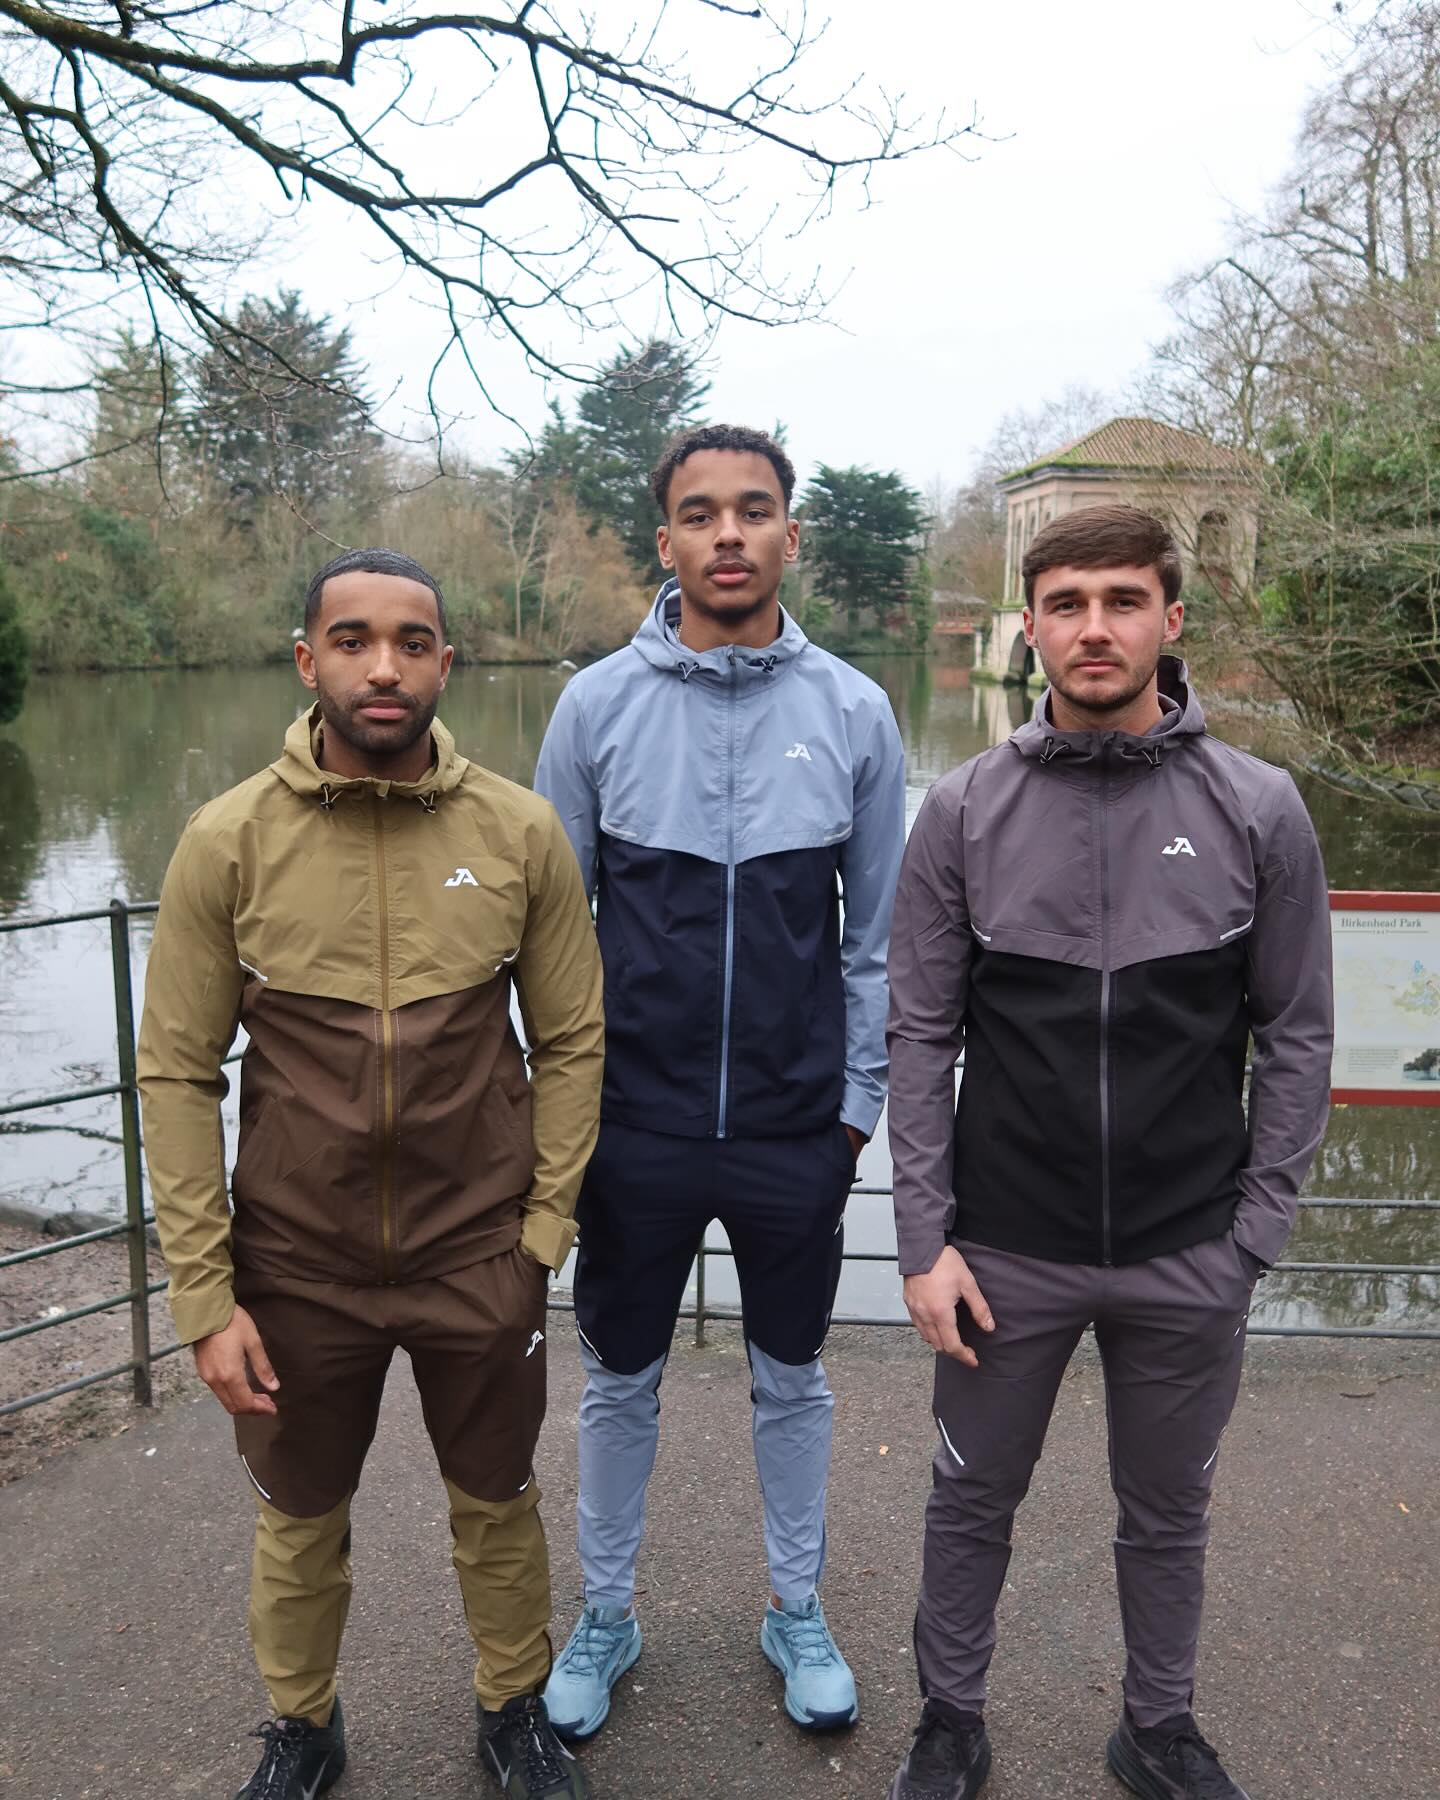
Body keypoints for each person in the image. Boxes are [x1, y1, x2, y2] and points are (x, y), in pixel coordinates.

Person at [137, 548, 605, 1800]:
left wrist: (542, 1236)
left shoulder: (520, 833)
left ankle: (513, 1709)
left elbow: (572, 1042)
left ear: (449, 662)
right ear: (308, 661)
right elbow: (175, 1073)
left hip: (478, 1255)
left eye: (411, 641)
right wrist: (204, 1297)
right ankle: (303, 1726)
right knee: (298, 1519)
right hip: (295, 1268)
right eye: (352, 640)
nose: (383, 666)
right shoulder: (227, 841)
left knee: (498, 1502)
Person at [884, 505, 1334, 1800]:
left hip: (1190, 1246)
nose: (1095, 627)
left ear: (1169, 619)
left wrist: (1255, 1235)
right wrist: (922, 1241)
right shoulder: (964, 808)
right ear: (1030, 624)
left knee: (1169, 1511)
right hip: (1001, 1252)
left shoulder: (1259, 808)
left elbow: (1298, 1032)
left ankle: (1158, 1728)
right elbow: (918, 1034)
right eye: (1067, 603)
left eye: (1123, 600)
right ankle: (950, 1721)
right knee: (972, 1498)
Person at [533, 423, 906, 1740]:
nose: (729, 534)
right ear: (667, 541)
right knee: (616, 1380)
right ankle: (607, 1613)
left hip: (797, 1127)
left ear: (790, 535)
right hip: (632, 1125)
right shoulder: (594, 708)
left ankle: (795, 1608)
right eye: (702, 513)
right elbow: (551, 936)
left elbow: (877, 943)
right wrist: (567, 1114)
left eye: (754, 510)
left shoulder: (856, 711)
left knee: (793, 1377)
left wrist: (854, 1109)